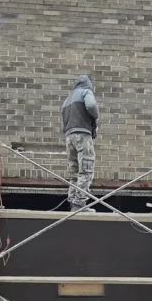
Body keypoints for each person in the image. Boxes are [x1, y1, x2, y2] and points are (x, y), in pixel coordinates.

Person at [61, 74, 100, 212]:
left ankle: (73, 202)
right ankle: (80, 204)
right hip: (82, 135)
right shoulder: (86, 92)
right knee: (86, 169)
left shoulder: (67, 100)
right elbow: (91, 105)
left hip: (69, 137)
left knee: (74, 173)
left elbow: (63, 124)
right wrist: (96, 116)